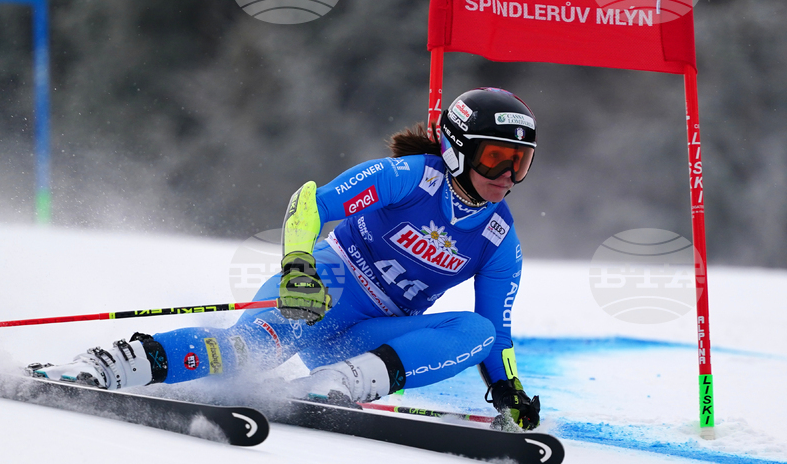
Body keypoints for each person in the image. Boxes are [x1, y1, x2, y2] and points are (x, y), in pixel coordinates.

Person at [31, 87, 542, 430]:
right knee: (241, 358)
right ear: (457, 149)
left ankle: (336, 384)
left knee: (476, 332)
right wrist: (299, 265)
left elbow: (497, 329)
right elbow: (309, 203)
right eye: (496, 156)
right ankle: (107, 366)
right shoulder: (409, 176)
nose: (507, 174)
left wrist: (508, 389)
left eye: (521, 162)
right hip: (325, 290)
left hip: (367, 339)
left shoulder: (500, 239)